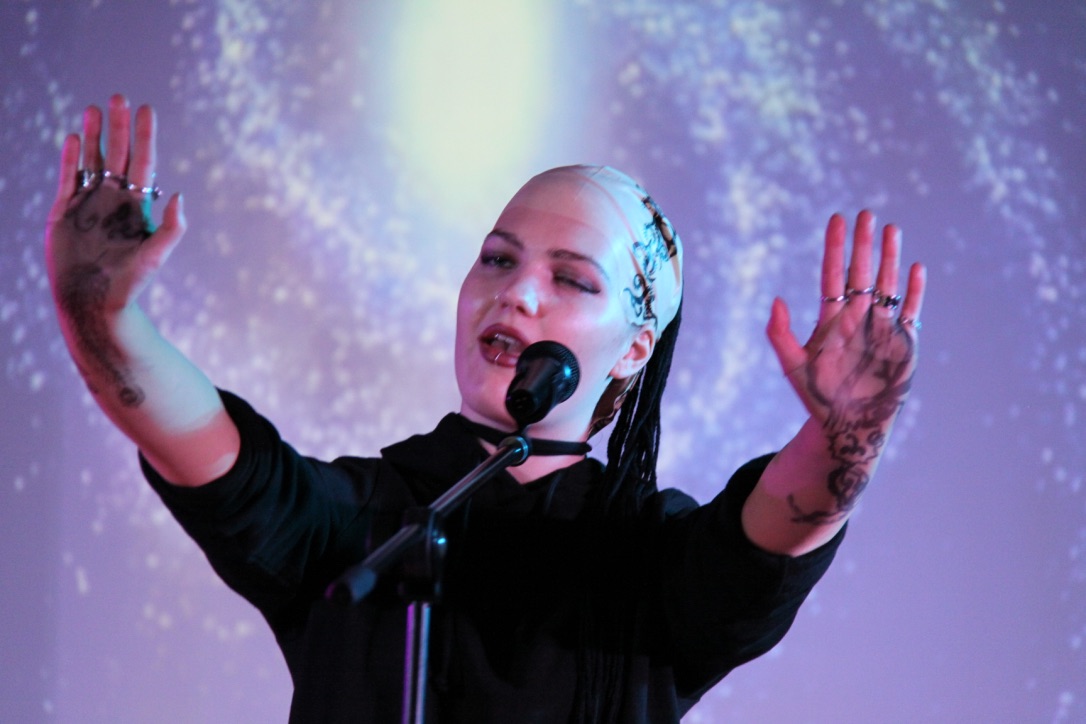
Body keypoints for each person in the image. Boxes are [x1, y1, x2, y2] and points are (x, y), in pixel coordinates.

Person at [45, 95, 926, 723]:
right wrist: (104, 318)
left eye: (571, 279)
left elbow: (779, 529)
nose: (517, 294)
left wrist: (851, 426)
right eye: (499, 260)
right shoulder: (361, 518)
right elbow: (206, 448)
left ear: (634, 348)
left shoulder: (651, 557)